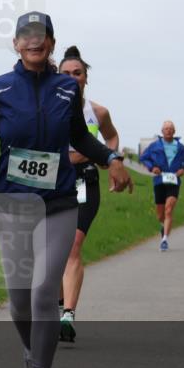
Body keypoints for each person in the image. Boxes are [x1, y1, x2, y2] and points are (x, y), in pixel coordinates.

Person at [0, 12, 131, 368]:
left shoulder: (65, 89)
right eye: (26, 35)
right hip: (11, 205)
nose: (34, 41)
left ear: (52, 44)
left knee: (44, 292)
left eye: (41, 36)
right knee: (18, 301)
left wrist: (110, 157)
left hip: (58, 203)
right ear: (16, 43)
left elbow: (79, 136)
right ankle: (32, 350)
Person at [56, 46, 127, 343]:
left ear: (86, 78)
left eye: (77, 73)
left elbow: (110, 135)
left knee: (73, 245)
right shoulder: (49, 107)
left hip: (85, 181)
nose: (72, 78)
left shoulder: (97, 111)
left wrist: (107, 157)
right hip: (54, 181)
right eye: (66, 74)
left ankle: (68, 314)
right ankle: (59, 306)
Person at [140, 121, 184, 251]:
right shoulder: (155, 145)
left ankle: (164, 240)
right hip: (159, 180)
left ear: (174, 131)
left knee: (169, 209)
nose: (168, 131)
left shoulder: (180, 147)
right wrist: (152, 167)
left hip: (174, 181)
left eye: (170, 129)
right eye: (166, 129)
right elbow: (144, 157)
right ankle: (164, 225)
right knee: (160, 214)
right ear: (162, 131)